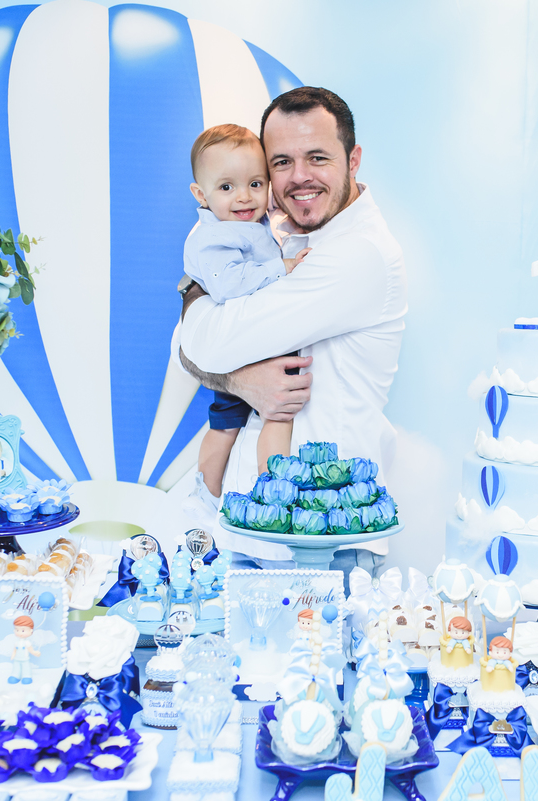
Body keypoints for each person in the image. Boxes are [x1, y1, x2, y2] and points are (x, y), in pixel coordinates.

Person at [178, 87, 407, 585]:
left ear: (353, 160)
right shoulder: (283, 238)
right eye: (282, 161)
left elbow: (206, 343)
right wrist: (239, 379)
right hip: (255, 526)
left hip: (322, 538)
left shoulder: (356, 254)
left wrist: (196, 299)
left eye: (317, 158)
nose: (299, 176)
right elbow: (192, 343)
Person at [184, 124, 312, 497]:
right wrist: (282, 268)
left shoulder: (244, 222)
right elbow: (228, 285)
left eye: (255, 184)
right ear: (201, 194)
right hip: (243, 345)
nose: (244, 197)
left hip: (253, 341)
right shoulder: (214, 237)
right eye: (226, 187)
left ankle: (263, 488)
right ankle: (212, 493)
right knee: (244, 422)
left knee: (240, 421)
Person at [8, 615, 40, 685]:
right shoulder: (16, 642)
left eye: (23, 630)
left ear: (30, 631)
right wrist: (13, 656)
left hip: (25, 659)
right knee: (16, 667)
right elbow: (15, 650)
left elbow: (31, 650)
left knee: (26, 668)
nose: (20, 633)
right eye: (17, 630)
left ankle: (27, 676)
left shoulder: (27, 643)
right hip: (17, 659)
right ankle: (15, 676)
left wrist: (35, 653)